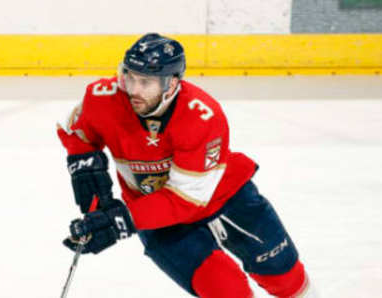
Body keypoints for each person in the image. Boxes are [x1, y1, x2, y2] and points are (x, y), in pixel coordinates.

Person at [57, 33, 316, 298]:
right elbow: (76, 132)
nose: (134, 89)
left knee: (285, 277)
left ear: (171, 84)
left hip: (224, 198)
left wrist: (122, 220)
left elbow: (186, 199)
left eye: (145, 82)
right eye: (130, 76)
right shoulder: (104, 97)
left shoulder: (202, 117)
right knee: (227, 292)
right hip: (157, 215)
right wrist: (88, 176)